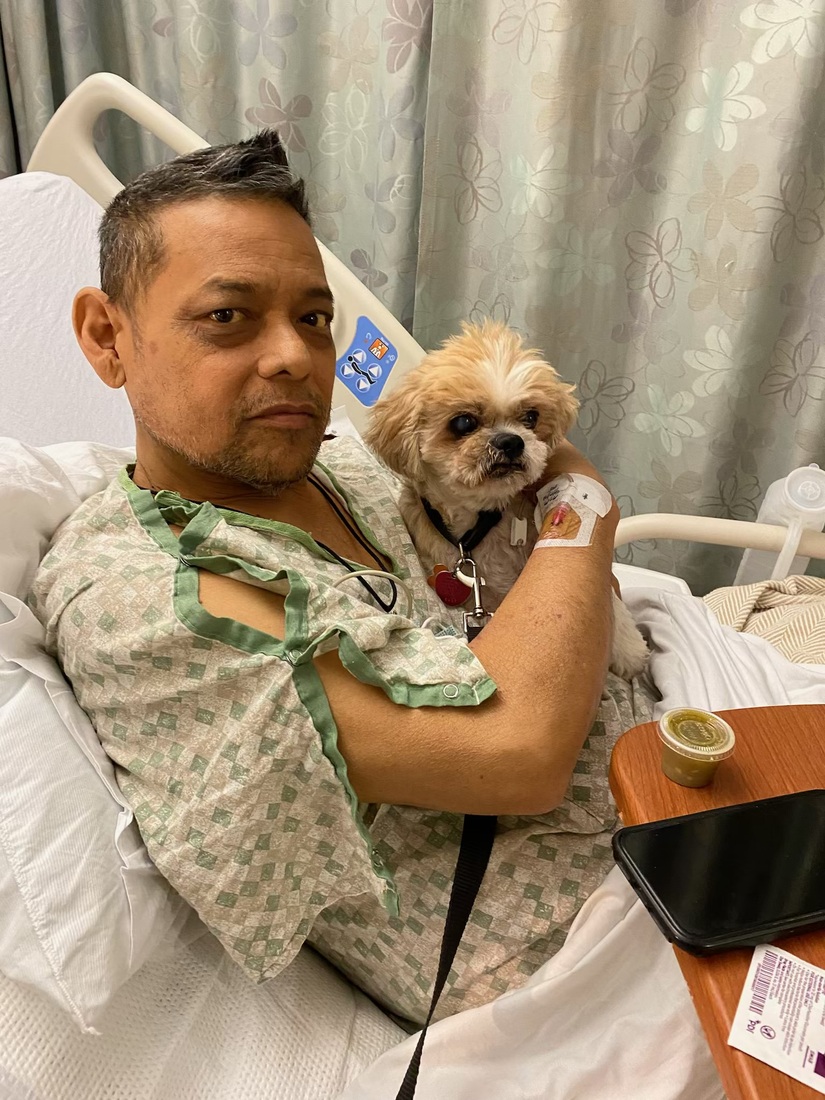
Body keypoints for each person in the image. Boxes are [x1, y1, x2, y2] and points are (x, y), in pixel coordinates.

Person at [30, 131, 653, 1028]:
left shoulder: (335, 464)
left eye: (314, 318)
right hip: (584, 954)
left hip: (673, 784)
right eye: (227, 316)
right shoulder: (156, 595)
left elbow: (544, 452)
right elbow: (516, 752)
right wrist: (585, 507)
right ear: (106, 335)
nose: (294, 357)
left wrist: (562, 491)